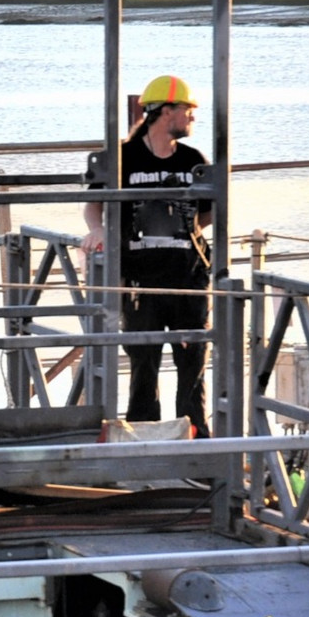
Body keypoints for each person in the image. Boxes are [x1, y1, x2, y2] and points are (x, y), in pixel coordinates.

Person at [82, 75, 215, 437]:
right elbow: (94, 206)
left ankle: (196, 441)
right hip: (140, 281)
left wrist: (190, 232)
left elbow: (209, 211)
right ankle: (143, 439)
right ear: (166, 111)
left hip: (187, 279)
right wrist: (97, 231)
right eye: (188, 110)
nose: (192, 118)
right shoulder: (124, 158)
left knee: (193, 367)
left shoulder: (193, 160)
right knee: (144, 365)